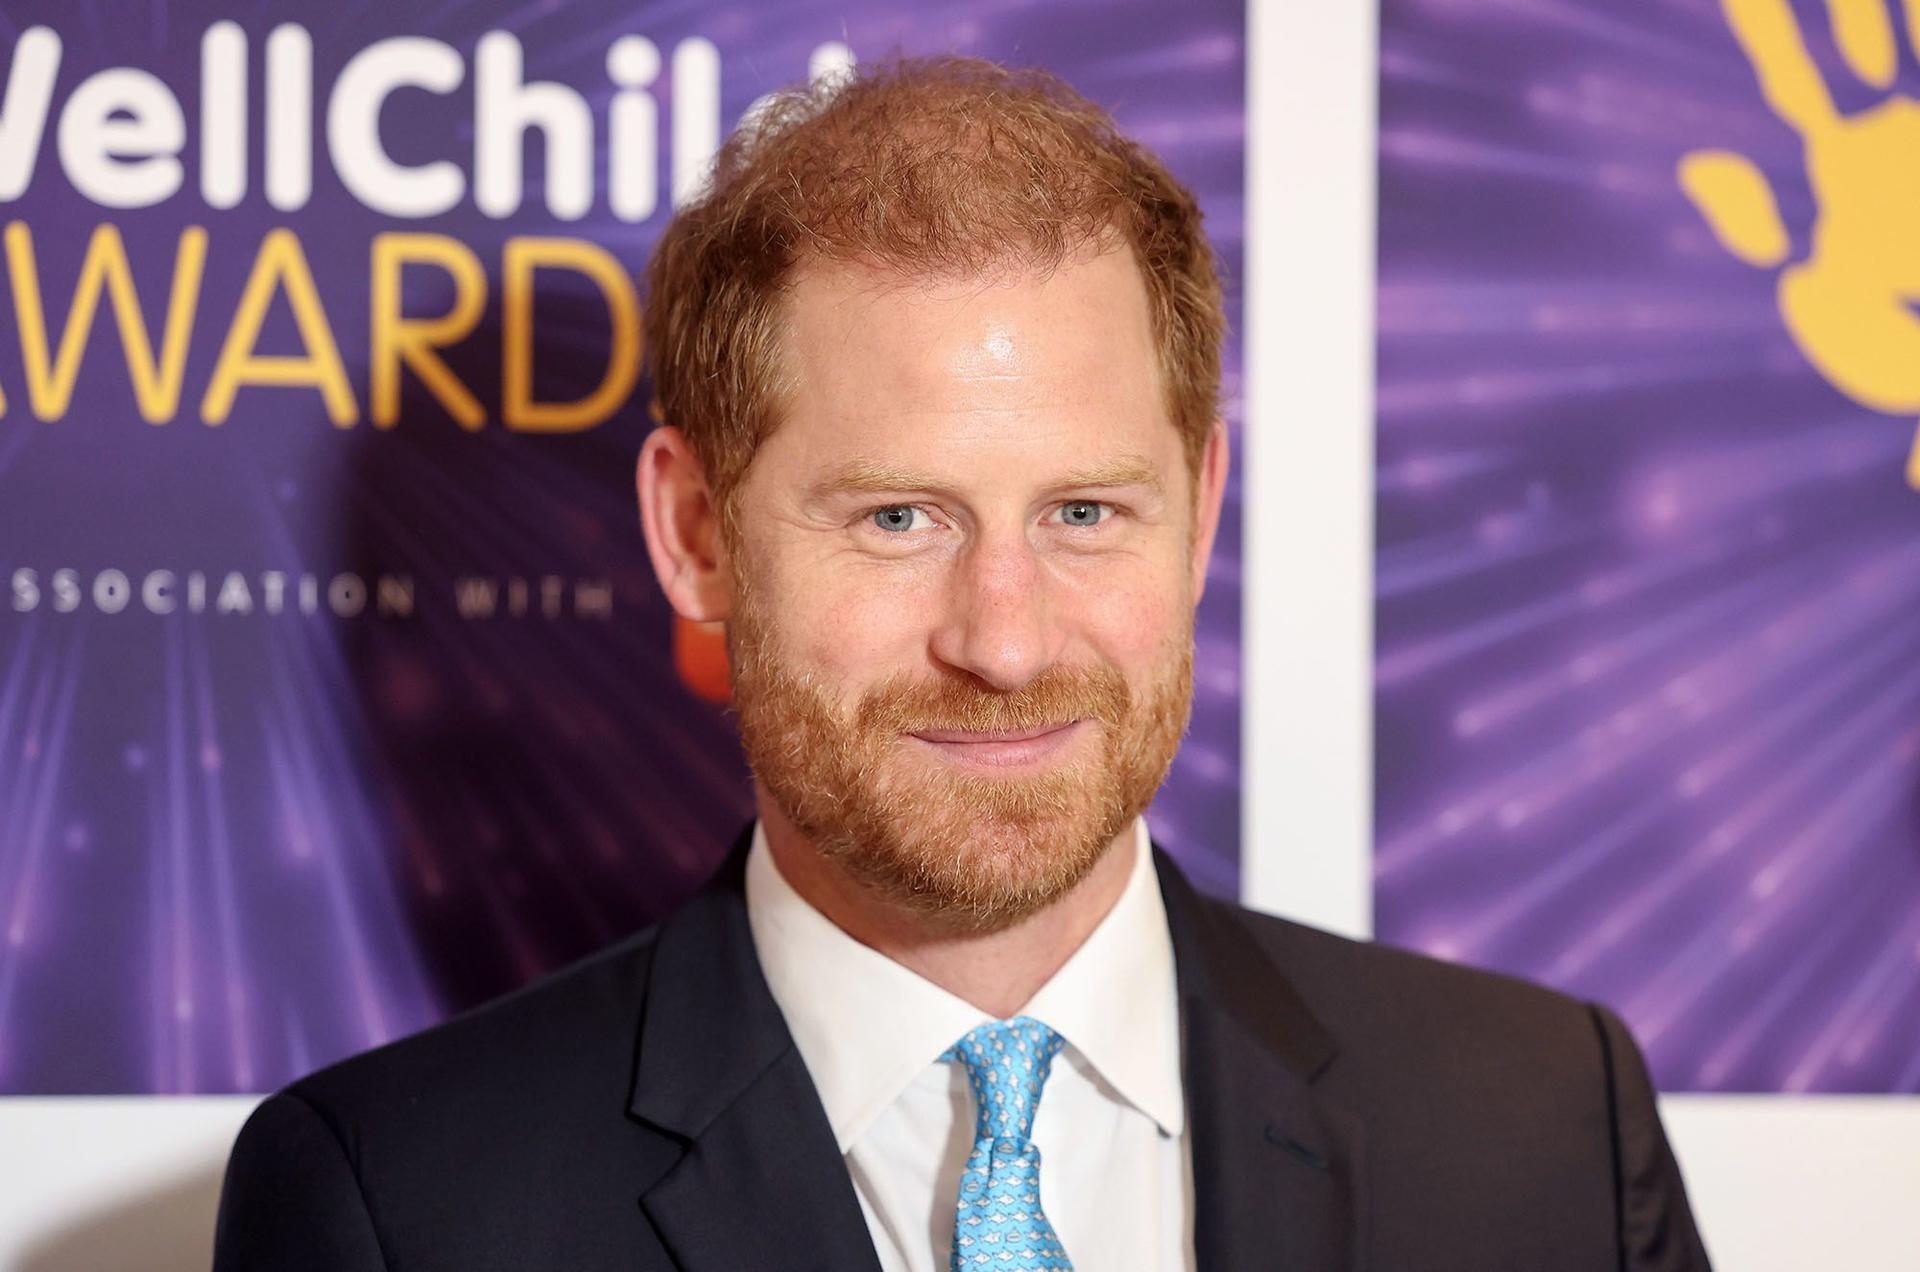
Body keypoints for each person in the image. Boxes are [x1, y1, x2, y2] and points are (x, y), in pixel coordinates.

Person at [211, 56, 1711, 1271]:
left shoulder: (1543, 1135)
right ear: (695, 534)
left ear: (1199, 515)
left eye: (1083, 511)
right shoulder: (401, 1209)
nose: (1003, 639)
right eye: (897, 516)